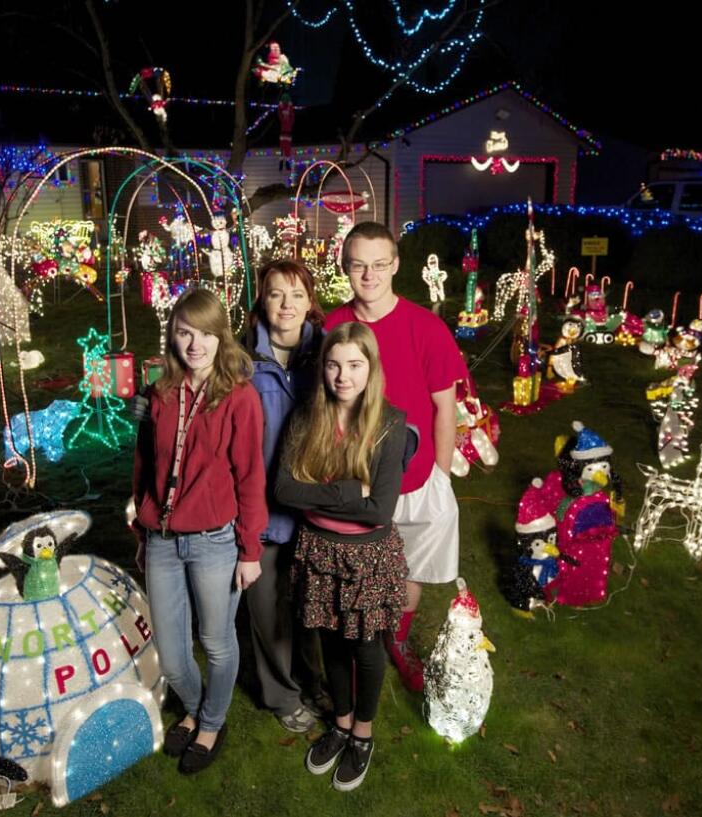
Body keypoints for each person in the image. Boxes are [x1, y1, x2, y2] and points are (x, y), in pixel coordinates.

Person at [323, 221, 466, 691]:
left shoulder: (427, 327)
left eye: (379, 264)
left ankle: (396, 640)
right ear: (345, 267)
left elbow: (445, 408)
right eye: (358, 265)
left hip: (416, 477)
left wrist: (440, 476)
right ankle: (355, 646)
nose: (369, 275)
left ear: (396, 265)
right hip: (357, 478)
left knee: (409, 569)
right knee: (357, 570)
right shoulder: (333, 325)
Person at [131, 288, 266, 774]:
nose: (195, 344)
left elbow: (250, 475)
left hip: (214, 542)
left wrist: (250, 549)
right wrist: (144, 526)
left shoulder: (239, 397)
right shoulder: (161, 391)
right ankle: (194, 705)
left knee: (215, 641)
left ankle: (210, 721)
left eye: (206, 334)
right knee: (171, 655)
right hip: (164, 540)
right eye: (185, 332)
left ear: (220, 337)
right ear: (172, 335)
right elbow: (145, 463)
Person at [275, 322, 409, 791]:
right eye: (333, 364)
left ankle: (364, 734)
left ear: (370, 369)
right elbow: (283, 488)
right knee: (330, 640)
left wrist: (315, 492)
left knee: (365, 646)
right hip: (319, 549)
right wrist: (348, 489)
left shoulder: (390, 425)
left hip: (364, 556)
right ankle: (342, 721)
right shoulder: (307, 418)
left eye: (354, 365)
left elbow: (380, 510)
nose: (342, 375)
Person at [243, 259, 325, 732]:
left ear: (309, 300)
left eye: (296, 294)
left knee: (313, 608)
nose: (287, 304)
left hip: (316, 510)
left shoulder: (327, 354)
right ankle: (280, 694)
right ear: (263, 301)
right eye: (276, 294)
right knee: (268, 610)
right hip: (264, 511)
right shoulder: (242, 362)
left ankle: (316, 679)